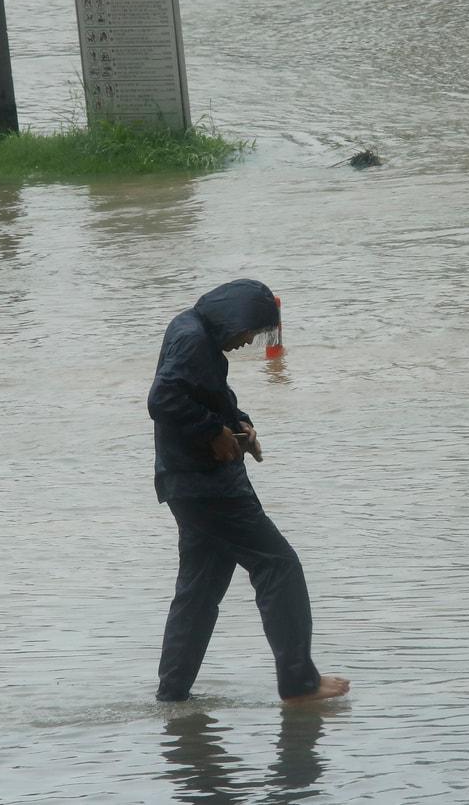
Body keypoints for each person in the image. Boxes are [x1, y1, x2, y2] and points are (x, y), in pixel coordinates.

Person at [147, 278, 350, 704]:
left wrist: (238, 424)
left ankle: (172, 696)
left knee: (199, 592)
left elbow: (207, 394)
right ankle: (299, 684)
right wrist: (212, 432)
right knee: (279, 566)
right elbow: (163, 399)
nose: (248, 342)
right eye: (250, 332)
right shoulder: (194, 340)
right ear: (234, 319)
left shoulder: (192, 330)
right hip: (208, 487)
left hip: (190, 484)